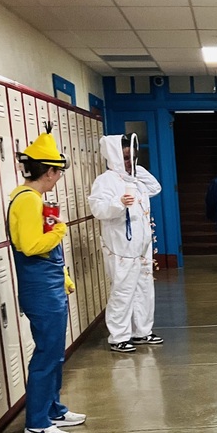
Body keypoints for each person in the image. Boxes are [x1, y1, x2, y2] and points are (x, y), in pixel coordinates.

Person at [9, 127, 85, 433]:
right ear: (50, 172)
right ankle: (37, 423)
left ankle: (53, 409)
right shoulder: (27, 201)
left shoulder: (33, 198)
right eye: (58, 172)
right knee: (45, 356)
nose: (58, 177)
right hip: (40, 291)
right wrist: (60, 231)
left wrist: (63, 277)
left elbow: (45, 249)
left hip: (50, 286)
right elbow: (29, 245)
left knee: (55, 354)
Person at [88, 133, 163, 352]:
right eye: (126, 157)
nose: (130, 161)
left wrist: (135, 170)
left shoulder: (135, 178)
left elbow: (155, 188)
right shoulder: (105, 181)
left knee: (144, 288)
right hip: (121, 246)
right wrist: (118, 203)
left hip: (141, 245)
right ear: (114, 156)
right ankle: (119, 335)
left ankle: (142, 331)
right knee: (123, 290)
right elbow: (98, 209)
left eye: (132, 157)